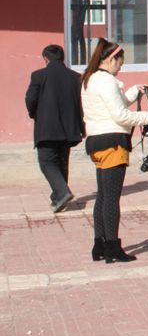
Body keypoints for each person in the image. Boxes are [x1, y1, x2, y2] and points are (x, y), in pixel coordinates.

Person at [81, 39, 148, 263]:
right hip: (113, 142)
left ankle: (99, 243)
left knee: (102, 196)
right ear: (111, 59)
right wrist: (147, 117)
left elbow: (114, 104)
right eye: (120, 64)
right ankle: (112, 246)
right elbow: (120, 115)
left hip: (97, 141)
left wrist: (133, 92)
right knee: (112, 199)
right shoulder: (107, 82)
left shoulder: (91, 79)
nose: (120, 68)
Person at [25, 44, 84, 214]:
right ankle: (59, 198)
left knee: (47, 162)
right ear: (62, 58)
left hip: (47, 128)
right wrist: (80, 126)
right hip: (69, 128)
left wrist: (34, 114)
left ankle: (63, 192)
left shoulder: (38, 75)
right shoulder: (75, 77)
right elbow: (79, 103)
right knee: (62, 161)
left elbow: (30, 99)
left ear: (45, 59)